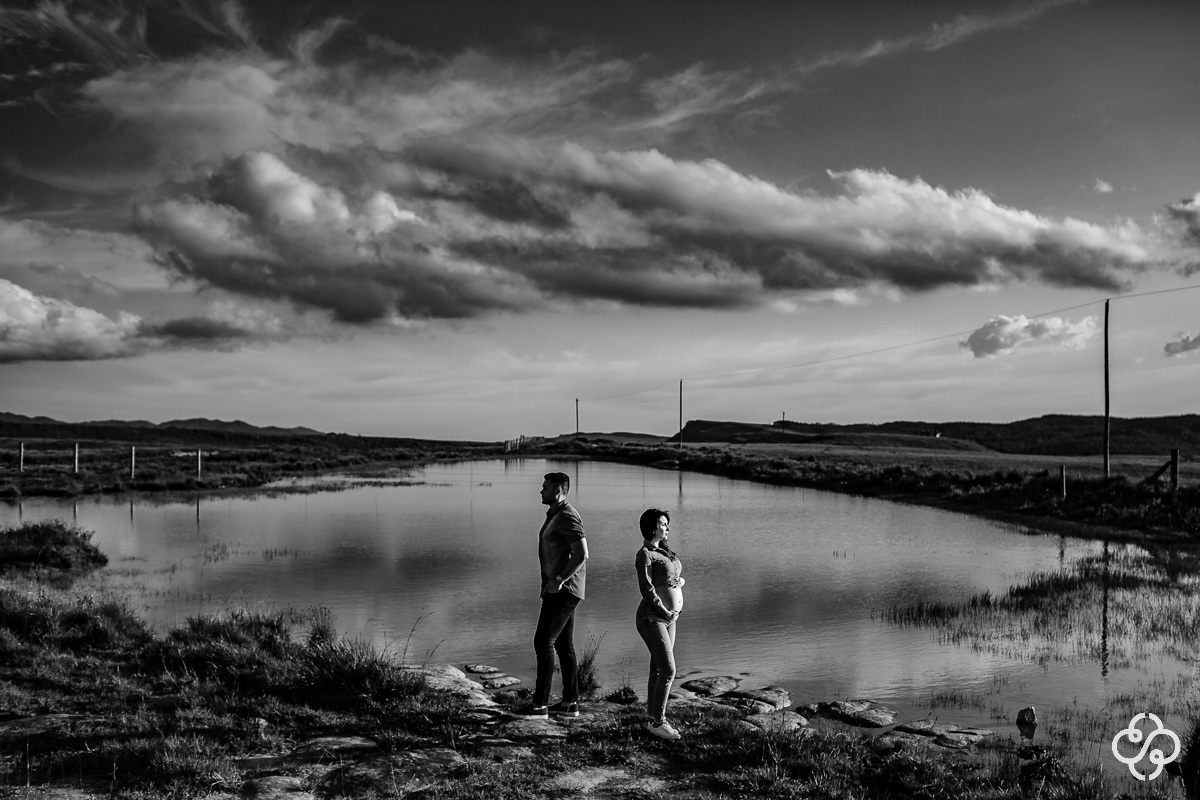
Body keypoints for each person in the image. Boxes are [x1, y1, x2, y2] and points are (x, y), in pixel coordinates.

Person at [508, 471, 589, 719]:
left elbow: (582, 554)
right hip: (558, 589)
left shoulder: (567, 515)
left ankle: (539, 706)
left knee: (543, 642)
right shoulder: (555, 514)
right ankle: (570, 703)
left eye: (545, 487)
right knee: (564, 645)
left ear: (559, 491)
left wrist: (559, 579)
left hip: (563, 590)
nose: (541, 491)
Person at [635, 507, 684, 740]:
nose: (667, 528)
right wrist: (665, 610)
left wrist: (679, 583)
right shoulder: (644, 555)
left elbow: (668, 578)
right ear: (652, 527)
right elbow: (647, 590)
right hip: (652, 617)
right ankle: (659, 722)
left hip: (669, 619)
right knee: (668, 670)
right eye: (663, 524)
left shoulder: (665, 551)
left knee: (657, 668)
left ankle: (651, 718)